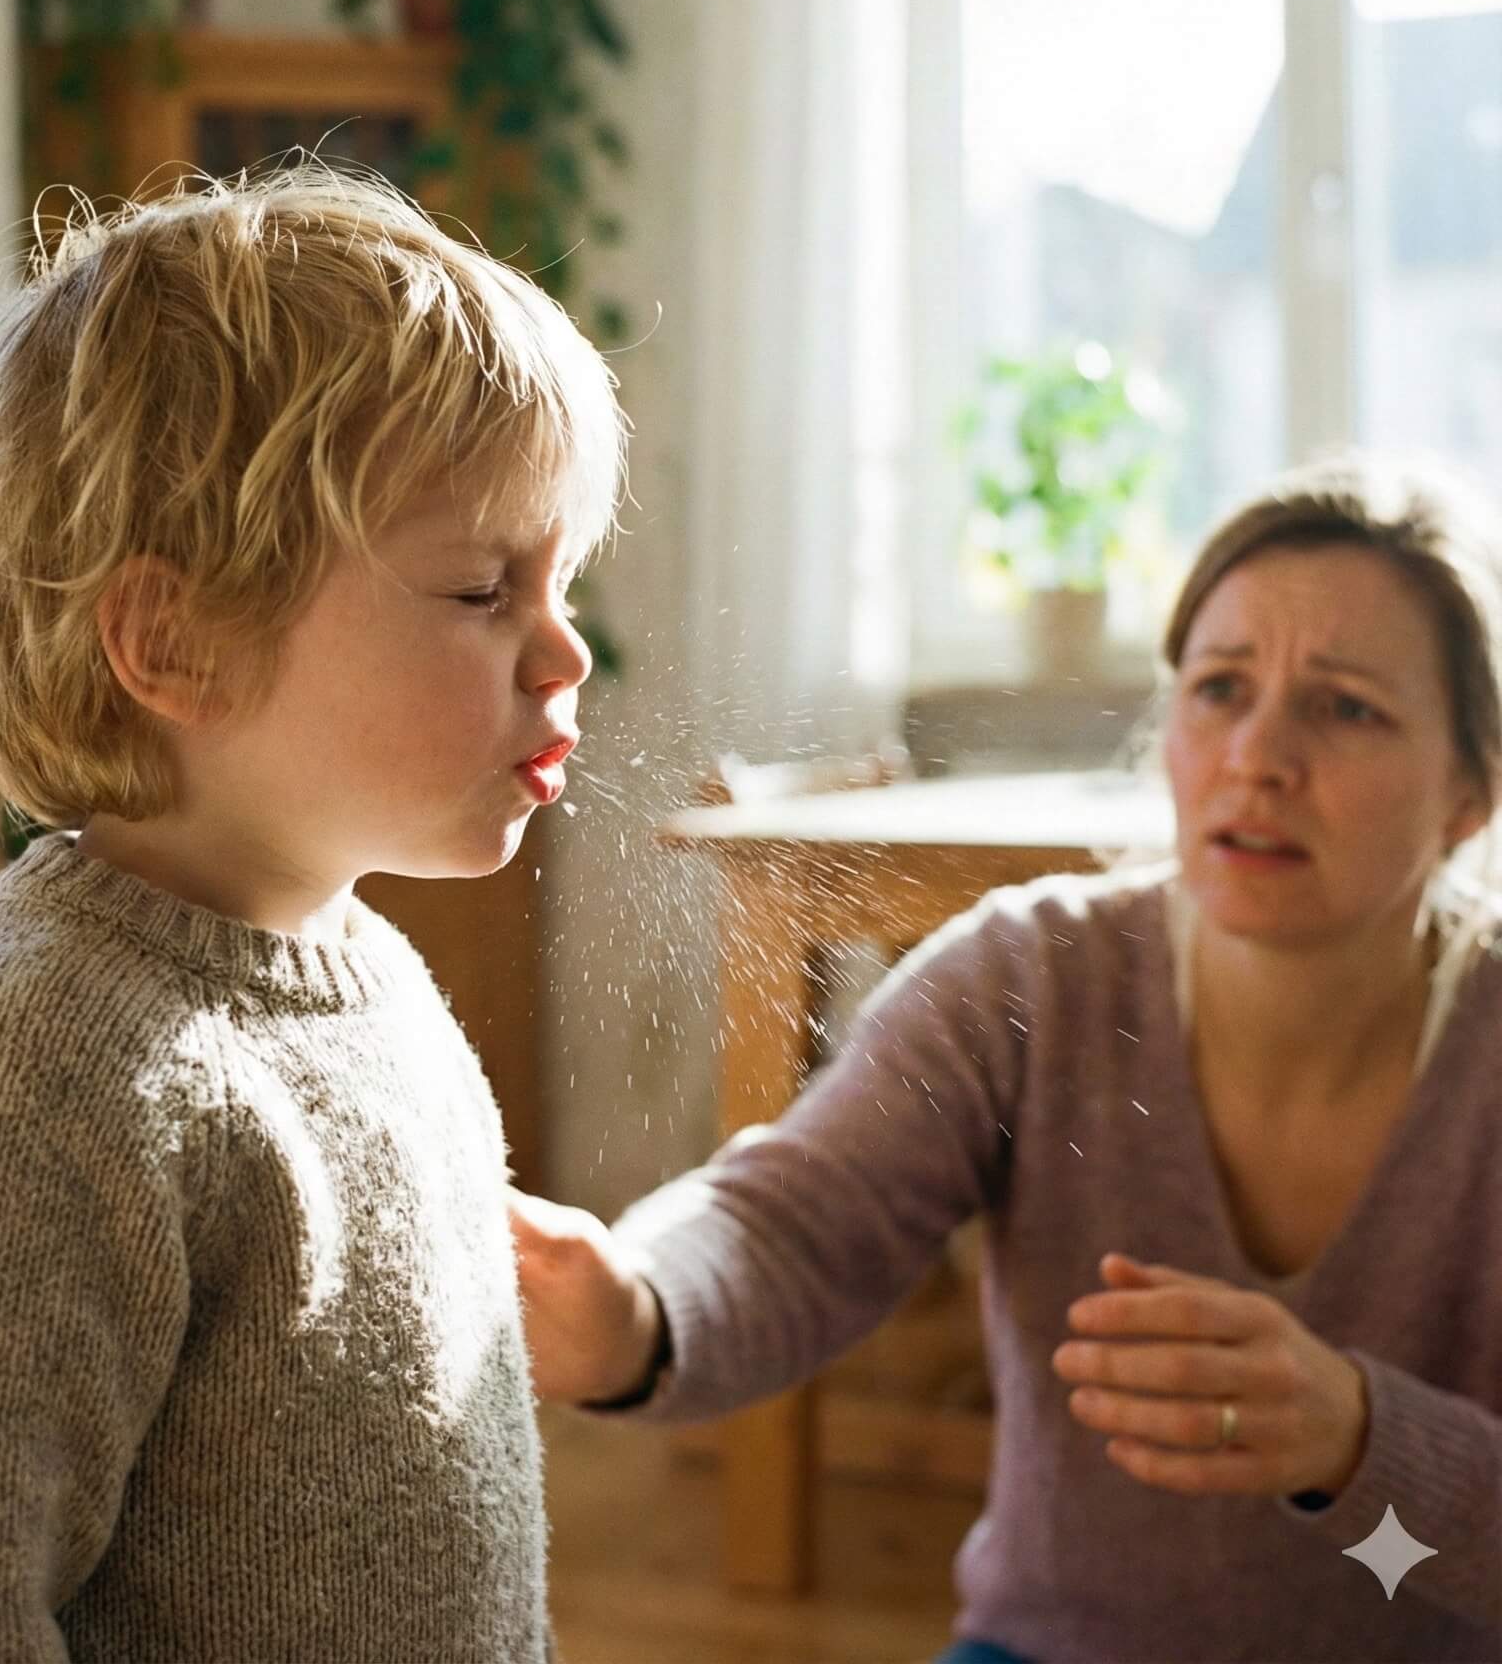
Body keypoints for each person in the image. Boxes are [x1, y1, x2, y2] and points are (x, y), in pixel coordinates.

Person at [0, 166, 624, 1662]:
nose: (563, 651)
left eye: (562, 581)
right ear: (175, 641)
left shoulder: (367, 975)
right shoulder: (34, 1089)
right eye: (483, 590)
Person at [513, 455, 1502, 1663]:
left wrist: (1358, 1438)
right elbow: (789, 1220)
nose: (1257, 755)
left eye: (1345, 705)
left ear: (1470, 790)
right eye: (1219, 687)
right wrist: (634, 1305)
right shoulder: (1033, 975)